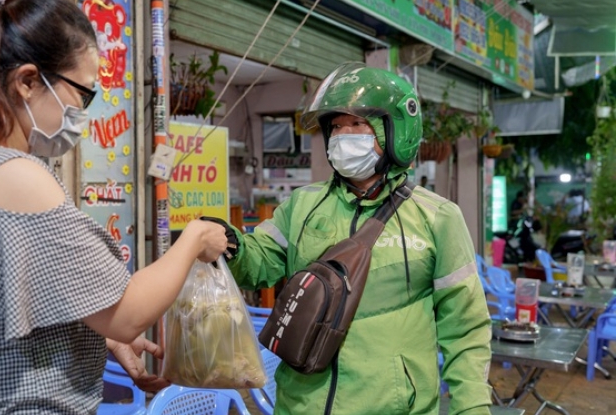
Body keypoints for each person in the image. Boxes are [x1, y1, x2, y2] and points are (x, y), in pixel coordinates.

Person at [0, 0, 227, 413]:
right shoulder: (17, 176)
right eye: (83, 93)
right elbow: (129, 311)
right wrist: (193, 238)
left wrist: (96, 332)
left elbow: (1, 302)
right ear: (26, 81)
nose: (83, 111)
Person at [205, 63, 492, 414]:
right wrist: (230, 244)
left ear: (396, 130)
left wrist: (472, 407)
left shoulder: (437, 217)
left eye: (358, 124)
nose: (344, 136)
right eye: (336, 126)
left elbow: (465, 329)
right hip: (301, 404)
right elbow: (259, 261)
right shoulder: (303, 204)